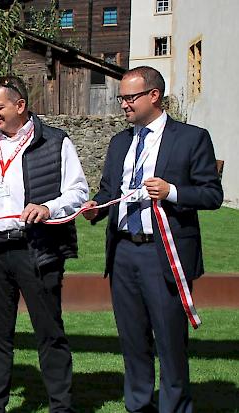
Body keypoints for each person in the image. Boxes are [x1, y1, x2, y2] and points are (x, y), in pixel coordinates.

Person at [81, 66, 223, 413]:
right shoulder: (120, 142)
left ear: (154, 96)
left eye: (130, 98)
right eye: (122, 98)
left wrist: (172, 191)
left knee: (171, 343)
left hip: (164, 256)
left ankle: (174, 407)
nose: (123, 105)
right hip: (123, 253)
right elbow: (108, 191)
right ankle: (139, 406)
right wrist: (95, 208)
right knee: (133, 343)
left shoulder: (192, 138)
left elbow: (212, 195)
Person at [0, 75, 88, 413]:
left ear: (20, 105)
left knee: (49, 333)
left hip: (37, 248)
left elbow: (78, 193)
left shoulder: (56, 142)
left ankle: (61, 406)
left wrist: (48, 208)